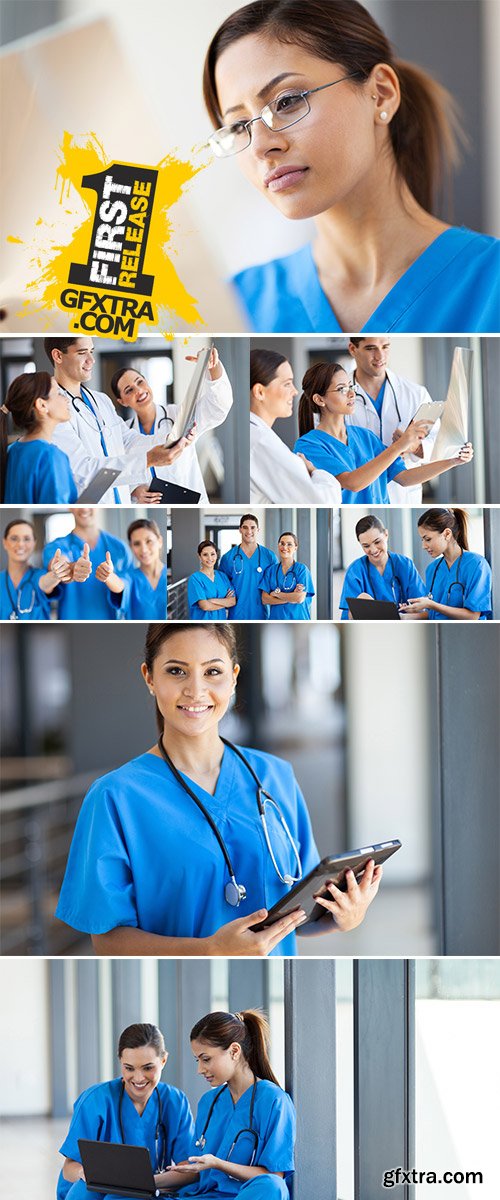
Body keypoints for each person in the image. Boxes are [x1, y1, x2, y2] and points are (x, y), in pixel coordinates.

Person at [55, 624, 382, 957]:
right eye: (176, 671)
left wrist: (342, 917)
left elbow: (298, 908)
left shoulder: (275, 776)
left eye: (212, 671)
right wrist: (209, 950)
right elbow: (107, 941)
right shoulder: (114, 798)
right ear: (149, 678)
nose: (195, 691)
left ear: (234, 677)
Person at [203, 0, 499, 333]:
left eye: (286, 102)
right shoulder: (235, 307)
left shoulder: (491, 285)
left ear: (381, 93)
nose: (260, 146)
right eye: (240, 126)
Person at [155, 1009, 294, 1199]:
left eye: (206, 1059)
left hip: (244, 1195)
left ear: (234, 1051)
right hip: (203, 1196)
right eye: (198, 1060)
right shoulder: (209, 1102)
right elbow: (196, 1171)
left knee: (272, 1186)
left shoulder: (274, 1101)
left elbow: (273, 1175)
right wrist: (147, 1181)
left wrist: (218, 1164)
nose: (200, 1069)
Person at [293, 362, 474, 504]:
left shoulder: (365, 437)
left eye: (350, 387)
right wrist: (399, 446)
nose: (351, 394)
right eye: (342, 389)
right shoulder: (308, 445)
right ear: (319, 399)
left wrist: (452, 461)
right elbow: (352, 483)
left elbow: (404, 477)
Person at [45, 337, 196, 505]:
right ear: (58, 356)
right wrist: (148, 460)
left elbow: (128, 440)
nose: (91, 360)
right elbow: (82, 470)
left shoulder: (100, 400)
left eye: (91, 351)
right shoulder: (52, 407)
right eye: (82, 353)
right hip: (90, 503)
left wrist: (172, 438)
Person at [57, 1022, 195, 1200]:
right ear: (120, 1062)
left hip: (152, 1187)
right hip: (94, 1188)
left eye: (148, 1067)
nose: (138, 1078)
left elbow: (189, 1170)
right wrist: (90, 1174)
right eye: (129, 1068)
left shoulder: (175, 1101)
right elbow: (69, 1168)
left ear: (163, 1060)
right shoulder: (95, 1100)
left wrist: (145, 1183)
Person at [111, 346, 234, 504]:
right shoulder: (124, 434)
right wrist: (133, 491)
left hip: (188, 503)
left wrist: (213, 367)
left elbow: (218, 407)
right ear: (122, 401)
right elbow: (117, 471)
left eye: (140, 382)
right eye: (129, 390)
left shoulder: (179, 415)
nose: (139, 390)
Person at [347, 337, 440, 503]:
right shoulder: (338, 394)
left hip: (402, 494)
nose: (380, 356)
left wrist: (414, 447)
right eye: (370, 348)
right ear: (353, 349)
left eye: (385, 347)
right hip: (359, 493)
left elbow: (439, 443)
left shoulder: (416, 394)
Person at [249, 349, 341, 503]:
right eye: (287, 384)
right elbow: (322, 502)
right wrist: (314, 471)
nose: (295, 391)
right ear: (259, 391)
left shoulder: (256, 436)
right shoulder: (263, 443)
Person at [400, 508, 493, 621]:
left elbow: (472, 616)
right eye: (422, 540)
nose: (423, 546)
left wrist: (430, 604)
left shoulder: (477, 565)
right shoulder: (432, 569)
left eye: (428, 539)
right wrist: (406, 615)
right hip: (439, 633)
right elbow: (434, 615)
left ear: (447, 534)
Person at [43, 508, 134, 621]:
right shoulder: (56, 547)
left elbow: (127, 587)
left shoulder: (120, 548)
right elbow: (58, 563)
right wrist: (70, 568)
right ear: (70, 507)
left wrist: (109, 576)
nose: (84, 508)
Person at [0, 372, 77, 504]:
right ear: (42, 405)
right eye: (58, 393)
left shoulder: (11, 450)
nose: (66, 399)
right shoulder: (51, 456)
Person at [339, 515, 427, 619]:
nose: (373, 550)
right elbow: (348, 616)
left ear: (386, 534)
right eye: (366, 546)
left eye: (377, 542)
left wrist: (405, 614)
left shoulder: (405, 565)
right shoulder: (355, 571)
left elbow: (422, 608)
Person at [95, 519, 169, 621]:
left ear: (159, 541)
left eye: (149, 541)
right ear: (131, 547)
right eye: (137, 544)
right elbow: (120, 585)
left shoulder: (170, 576)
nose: (144, 549)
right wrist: (108, 575)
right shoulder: (130, 577)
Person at [0, 519, 70, 620]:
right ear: (5, 543)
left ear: (34, 543)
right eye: (14, 538)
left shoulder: (39, 576)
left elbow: (45, 582)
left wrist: (56, 574)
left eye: (27, 539)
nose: (20, 544)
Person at [219, 515, 278, 619]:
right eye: (245, 527)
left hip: (262, 613)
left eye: (252, 527)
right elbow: (221, 585)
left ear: (258, 530)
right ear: (240, 530)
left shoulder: (269, 556)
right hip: (237, 613)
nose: (249, 531)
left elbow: (276, 583)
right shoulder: (228, 558)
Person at [259, 533, 315, 621]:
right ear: (278, 546)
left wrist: (276, 594)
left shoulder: (301, 569)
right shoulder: (271, 571)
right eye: (282, 543)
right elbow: (265, 599)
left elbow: (299, 598)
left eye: (289, 544)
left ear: (295, 547)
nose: (284, 547)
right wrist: (290, 598)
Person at [188, 540, 236, 620]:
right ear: (199, 556)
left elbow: (232, 601)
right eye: (205, 555)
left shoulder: (222, 576)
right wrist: (225, 602)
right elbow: (205, 606)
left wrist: (211, 600)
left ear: (217, 555)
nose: (209, 558)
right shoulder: (195, 578)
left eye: (212, 554)